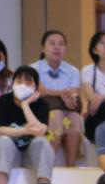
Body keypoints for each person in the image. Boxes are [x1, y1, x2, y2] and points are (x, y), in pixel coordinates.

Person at [0, 65, 53, 184]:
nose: (23, 85)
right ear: (13, 84)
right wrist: (25, 130)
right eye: (19, 81)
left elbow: (40, 131)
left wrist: (25, 105)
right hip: (11, 154)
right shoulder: (4, 101)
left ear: (36, 87)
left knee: (42, 142)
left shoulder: (42, 104)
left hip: (31, 155)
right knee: (3, 140)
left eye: (28, 82)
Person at [32, 30, 83, 167]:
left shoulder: (73, 71)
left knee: (75, 119)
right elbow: (41, 92)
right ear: (43, 48)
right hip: (41, 113)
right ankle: (49, 165)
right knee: (56, 116)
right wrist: (61, 94)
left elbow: (73, 95)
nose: (57, 47)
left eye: (61, 44)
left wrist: (68, 98)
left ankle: (71, 165)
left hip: (66, 113)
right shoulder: (34, 68)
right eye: (52, 43)